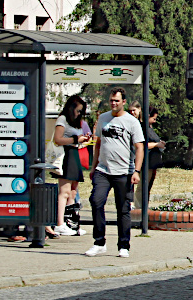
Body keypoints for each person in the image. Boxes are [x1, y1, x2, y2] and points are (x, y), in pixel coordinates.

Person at [85, 87, 145, 258]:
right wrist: (93, 166)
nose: (113, 103)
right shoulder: (103, 118)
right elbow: (98, 144)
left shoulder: (131, 122)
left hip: (124, 171)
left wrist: (136, 170)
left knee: (123, 209)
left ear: (123, 102)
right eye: (111, 100)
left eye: (117, 101)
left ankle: (123, 245)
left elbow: (139, 147)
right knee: (96, 201)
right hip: (103, 170)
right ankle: (99, 242)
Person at [52, 94, 91, 236]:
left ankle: (71, 223)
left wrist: (82, 139)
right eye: (78, 110)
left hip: (75, 154)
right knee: (65, 191)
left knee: (73, 191)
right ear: (71, 108)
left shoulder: (76, 122)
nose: (79, 114)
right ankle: (59, 223)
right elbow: (58, 139)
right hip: (66, 155)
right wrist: (75, 139)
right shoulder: (62, 119)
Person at [129, 101, 166, 187]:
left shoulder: (149, 127)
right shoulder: (141, 127)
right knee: (142, 188)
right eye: (154, 118)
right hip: (146, 162)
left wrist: (159, 143)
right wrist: (156, 145)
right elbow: (141, 145)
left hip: (152, 162)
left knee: (148, 186)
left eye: (134, 110)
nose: (154, 121)